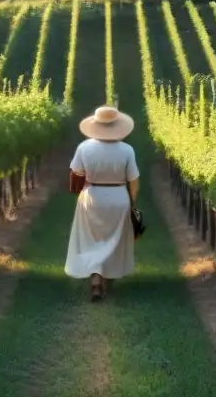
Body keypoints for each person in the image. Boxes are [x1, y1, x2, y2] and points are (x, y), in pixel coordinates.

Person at [64, 105, 140, 301]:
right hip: (118, 196)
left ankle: (96, 279)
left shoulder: (84, 148)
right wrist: (132, 203)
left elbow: (76, 175)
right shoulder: (127, 150)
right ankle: (107, 275)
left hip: (92, 196)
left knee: (92, 239)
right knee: (113, 238)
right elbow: (133, 180)